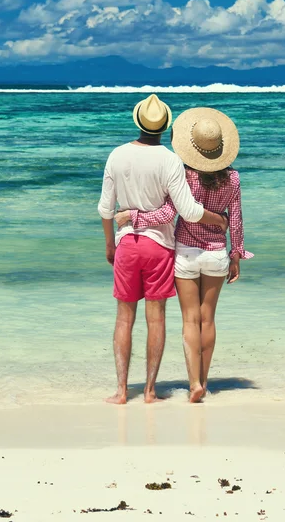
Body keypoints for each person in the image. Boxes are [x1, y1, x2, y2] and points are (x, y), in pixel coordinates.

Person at [115, 107, 253, 403]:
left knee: (190, 320)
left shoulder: (185, 174)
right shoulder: (234, 179)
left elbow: (169, 212)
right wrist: (236, 254)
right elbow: (237, 219)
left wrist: (133, 217)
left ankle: (193, 384)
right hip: (216, 253)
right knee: (208, 320)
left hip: (186, 254)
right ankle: (205, 379)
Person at [98, 95, 227, 405]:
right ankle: (150, 391)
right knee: (155, 319)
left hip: (128, 244)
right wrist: (218, 220)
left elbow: (105, 209)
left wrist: (109, 245)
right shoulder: (170, 160)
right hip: (159, 247)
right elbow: (188, 210)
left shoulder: (117, 155)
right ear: (167, 128)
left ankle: (120, 391)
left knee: (123, 319)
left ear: (137, 122)